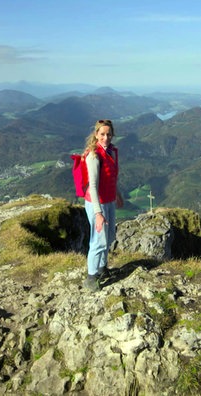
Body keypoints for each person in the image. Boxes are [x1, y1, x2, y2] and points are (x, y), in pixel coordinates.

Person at [82, 119, 123, 291]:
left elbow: (112, 177)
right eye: (102, 134)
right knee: (98, 240)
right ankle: (91, 277)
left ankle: (102, 267)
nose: (106, 137)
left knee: (109, 236)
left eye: (109, 134)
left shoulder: (112, 152)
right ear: (96, 135)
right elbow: (92, 185)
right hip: (96, 204)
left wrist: (118, 195)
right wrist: (98, 213)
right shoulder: (93, 155)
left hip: (109, 201)